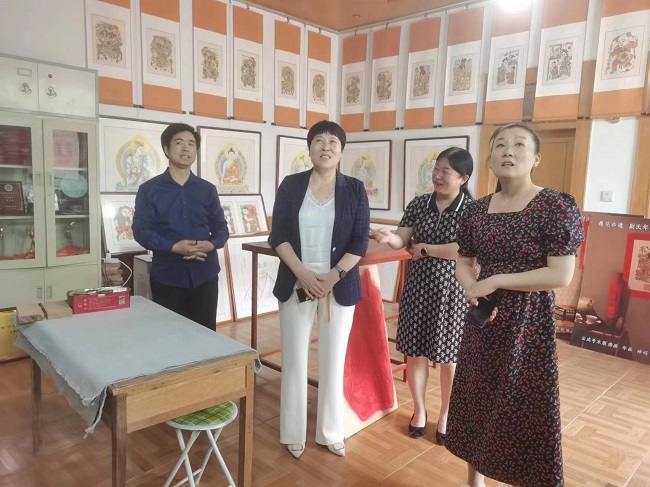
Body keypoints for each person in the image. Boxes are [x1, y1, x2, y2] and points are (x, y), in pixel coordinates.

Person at [445, 123, 584, 487]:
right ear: (490, 158)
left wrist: (496, 280)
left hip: (529, 325)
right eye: (500, 145)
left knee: (522, 408)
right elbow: (463, 261)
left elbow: (560, 274)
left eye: (520, 145)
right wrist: (472, 286)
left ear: (536, 158)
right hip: (484, 319)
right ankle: (474, 481)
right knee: (477, 399)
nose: (508, 151)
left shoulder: (555, 205)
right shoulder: (476, 210)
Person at [269, 120, 370, 459]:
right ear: (309, 147)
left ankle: (330, 431)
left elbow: (359, 242)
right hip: (296, 282)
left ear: (341, 151)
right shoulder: (291, 185)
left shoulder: (354, 188)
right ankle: (292, 431)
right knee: (294, 359)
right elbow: (278, 236)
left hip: (337, 287)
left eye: (333, 142)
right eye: (319, 141)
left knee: (333, 360)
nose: (326, 147)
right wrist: (303, 273)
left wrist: (332, 277)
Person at [370, 147, 474, 444]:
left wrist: (426, 249)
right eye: (436, 169)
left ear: (463, 178)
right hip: (418, 289)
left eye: (446, 171)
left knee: (449, 360)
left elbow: (464, 250)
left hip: (453, 293)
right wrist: (390, 237)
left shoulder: (472, 210)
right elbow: (403, 238)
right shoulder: (419, 203)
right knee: (415, 353)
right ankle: (419, 410)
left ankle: (446, 415)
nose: (437, 175)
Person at [133, 123, 229, 330]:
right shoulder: (149, 189)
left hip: (205, 275)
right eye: (179, 143)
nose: (186, 148)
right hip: (168, 276)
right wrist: (173, 247)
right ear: (166, 149)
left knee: (206, 334)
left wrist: (211, 244)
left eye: (191, 144)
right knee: (170, 335)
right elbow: (141, 230)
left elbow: (221, 228)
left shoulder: (207, 189)